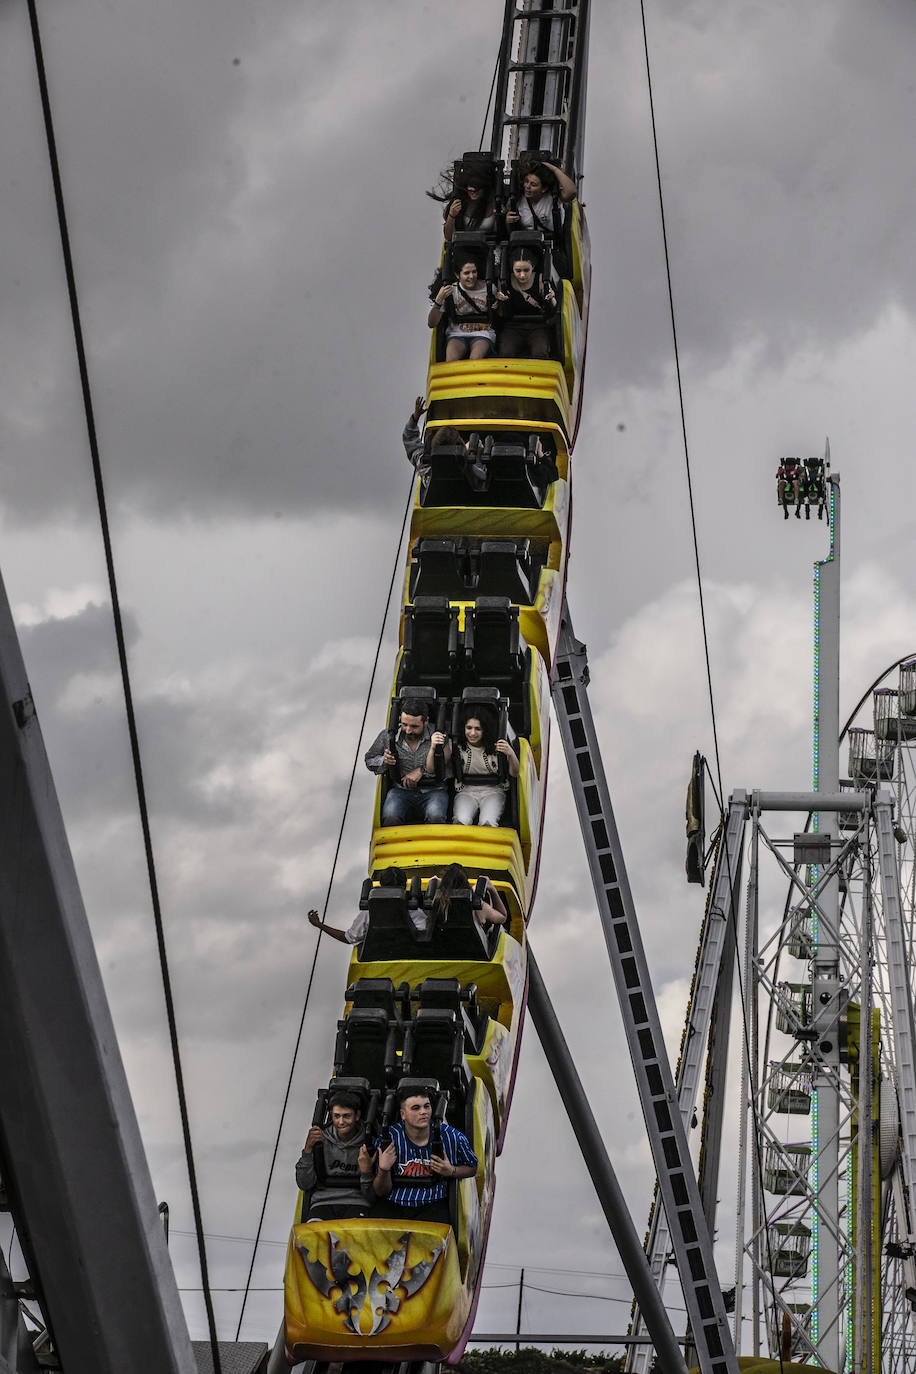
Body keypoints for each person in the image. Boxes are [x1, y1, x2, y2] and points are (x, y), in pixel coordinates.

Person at [372, 1086, 478, 1227]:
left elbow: (473, 1167)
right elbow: (380, 1191)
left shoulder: (453, 1137)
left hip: (433, 1204)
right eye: (416, 1108)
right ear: (403, 1114)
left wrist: (451, 1171)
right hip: (394, 1204)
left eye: (426, 1107)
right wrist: (383, 1169)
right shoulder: (388, 1139)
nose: (423, 1112)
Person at [364, 697, 451, 826]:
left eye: (414, 726)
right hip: (400, 790)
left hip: (434, 790)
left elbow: (446, 763)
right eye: (405, 725)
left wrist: (422, 770)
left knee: (436, 816)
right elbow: (369, 759)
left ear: (426, 721)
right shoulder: (388, 736)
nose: (408, 730)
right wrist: (384, 761)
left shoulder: (438, 735)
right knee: (390, 816)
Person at [295, 1090, 375, 1221]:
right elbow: (304, 1183)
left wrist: (366, 1172)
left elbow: (372, 1194)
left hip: (356, 1202)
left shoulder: (369, 1143)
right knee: (314, 1238)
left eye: (346, 1116)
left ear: (357, 1115)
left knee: (356, 1237)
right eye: (337, 1116)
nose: (341, 1122)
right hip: (322, 1202)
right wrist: (308, 1150)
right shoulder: (320, 1140)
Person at [430, 711, 519, 827]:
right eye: (469, 728)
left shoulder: (498, 746)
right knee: (460, 821)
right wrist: (435, 746)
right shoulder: (456, 745)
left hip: (493, 791)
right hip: (466, 791)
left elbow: (515, 772)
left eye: (478, 729)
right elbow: (436, 767)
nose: (472, 733)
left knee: (487, 822)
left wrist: (511, 754)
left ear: (485, 730)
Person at [307, 866, 428, 944]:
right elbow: (423, 935)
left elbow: (348, 938)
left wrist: (319, 925)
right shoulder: (415, 911)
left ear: (380, 885)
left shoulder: (367, 913)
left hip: (376, 958)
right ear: (405, 886)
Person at [428, 259, 496, 361]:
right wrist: (439, 300)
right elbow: (431, 324)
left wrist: (499, 303)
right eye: (466, 273)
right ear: (457, 275)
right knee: (451, 360)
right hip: (457, 333)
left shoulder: (489, 289)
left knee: (475, 358)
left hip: (482, 333)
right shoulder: (452, 291)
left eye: (474, 272)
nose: (471, 276)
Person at [495, 253, 557, 359]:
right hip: (512, 327)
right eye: (518, 271)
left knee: (540, 353)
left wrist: (551, 298)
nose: (522, 275)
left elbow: (554, 306)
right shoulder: (505, 281)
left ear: (532, 267)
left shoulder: (541, 279)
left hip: (537, 327)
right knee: (506, 353)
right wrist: (501, 301)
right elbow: (500, 312)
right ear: (512, 269)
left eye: (526, 270)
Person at [505, 156, 577, 237]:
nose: (527, 187)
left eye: (533, 184)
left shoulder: (552, 198)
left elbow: (571, 191)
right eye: (526, 181)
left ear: (544, 189)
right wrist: (508, 221)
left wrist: (554, 169)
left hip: (551, 242)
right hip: (526, 243)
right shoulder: (518, 200)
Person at [430, 862, 509, 932]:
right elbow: (503, 916)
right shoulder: (478, 907)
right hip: (473, 947)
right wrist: (492, 889)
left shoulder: (435, 905)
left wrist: (432, 888)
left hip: (444, 947)